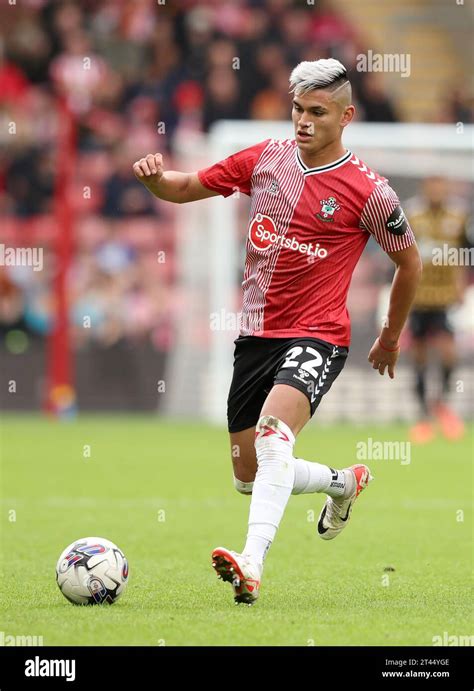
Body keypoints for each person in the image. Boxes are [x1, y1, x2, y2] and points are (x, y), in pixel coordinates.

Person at [133, 58, 422, 605]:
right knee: (249, 474)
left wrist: (389, 336)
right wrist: (155, 182)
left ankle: (252, 564)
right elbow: (186, 187)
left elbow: (411, 265)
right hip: (257, 336)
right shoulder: (265, 159)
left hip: (319, 335)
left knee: (273, 437)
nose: (304, 121)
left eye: (317, 112)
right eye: (297, 110)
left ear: (346, 116)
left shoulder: (371, 192)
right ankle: (341, 483)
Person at [405, 177, 468, 443]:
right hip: (417, 297)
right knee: (419, 356)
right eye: (432, 184)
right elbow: (400, 252)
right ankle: (423, 418)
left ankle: (441, 404)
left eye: (441, 184)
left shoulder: (459, 216)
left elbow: (467, 251)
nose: (437, 189)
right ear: (424, 188)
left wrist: (461, 281)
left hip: (445, 298)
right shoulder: (412, 214)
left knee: (448, 354)